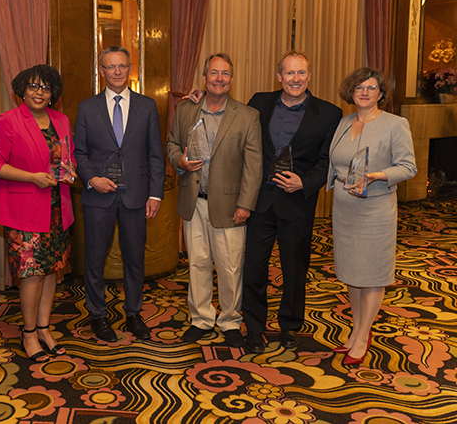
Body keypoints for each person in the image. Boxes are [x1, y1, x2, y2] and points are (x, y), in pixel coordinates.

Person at [241, 51, 343, 353]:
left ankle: (289, 324)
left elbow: (327, 161)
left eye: (301, 73)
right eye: (289, 73)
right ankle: (255, 328)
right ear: (279, 76)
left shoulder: (328, 113)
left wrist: (306, 182)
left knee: (295, 270)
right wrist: (198, 97)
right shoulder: (258, 102)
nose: (295, 79)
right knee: (253, 269)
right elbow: (233, 121)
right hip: (260, 202)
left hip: (297, 203)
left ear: (309, 76)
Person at [166, 53, 262, 347]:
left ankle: (231, 320)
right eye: (213, 73)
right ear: (204, 77)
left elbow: (254, 164)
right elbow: (171, 143)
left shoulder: (247, 115)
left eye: (225, 74)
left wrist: (245, 204)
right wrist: (179, 161)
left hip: (230, 206)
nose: (219, 79)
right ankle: (202, 319)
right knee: (197, 263)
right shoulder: (186, 110)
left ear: (232, 79)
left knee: (231, 266)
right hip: (193, 201)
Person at [73, 46, 165, 343]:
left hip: (136, 196)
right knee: (94, 260)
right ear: (101, 70)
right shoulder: (87, 107)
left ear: (130, 69)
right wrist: (92, 179)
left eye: (122, 66)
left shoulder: (147, 105)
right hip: (98, 196)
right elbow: (79, 153)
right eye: (110, 67)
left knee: (135, 258)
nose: (116, 72)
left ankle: (134, 313)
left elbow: (155, 154)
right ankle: (98, 316)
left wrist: (156, 194)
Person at [327, 67, 416, 365]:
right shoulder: (343, 123)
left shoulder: (395, 124)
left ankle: (363, 334)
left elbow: (408, 167)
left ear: (381, 93)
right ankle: (356, 329)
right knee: (352, 272)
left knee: (373, 274)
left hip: (375, 209)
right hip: (344, 209)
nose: (364, 92)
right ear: (350, 92)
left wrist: (378, 175)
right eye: (359, 87)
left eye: (371, 87)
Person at [0, 65, 76, 362]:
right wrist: (32, 176)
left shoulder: (61, 121)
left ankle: (44, 328)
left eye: (46, 88)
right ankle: (27, 333)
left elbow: (68, 155)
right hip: (23, 210)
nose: (39, 92)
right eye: (34, 86)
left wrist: (69, 170)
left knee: (52, 270)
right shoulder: (9, 121)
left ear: (53, 94)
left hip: (57, 208)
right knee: (31, 274)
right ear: (22, 90)